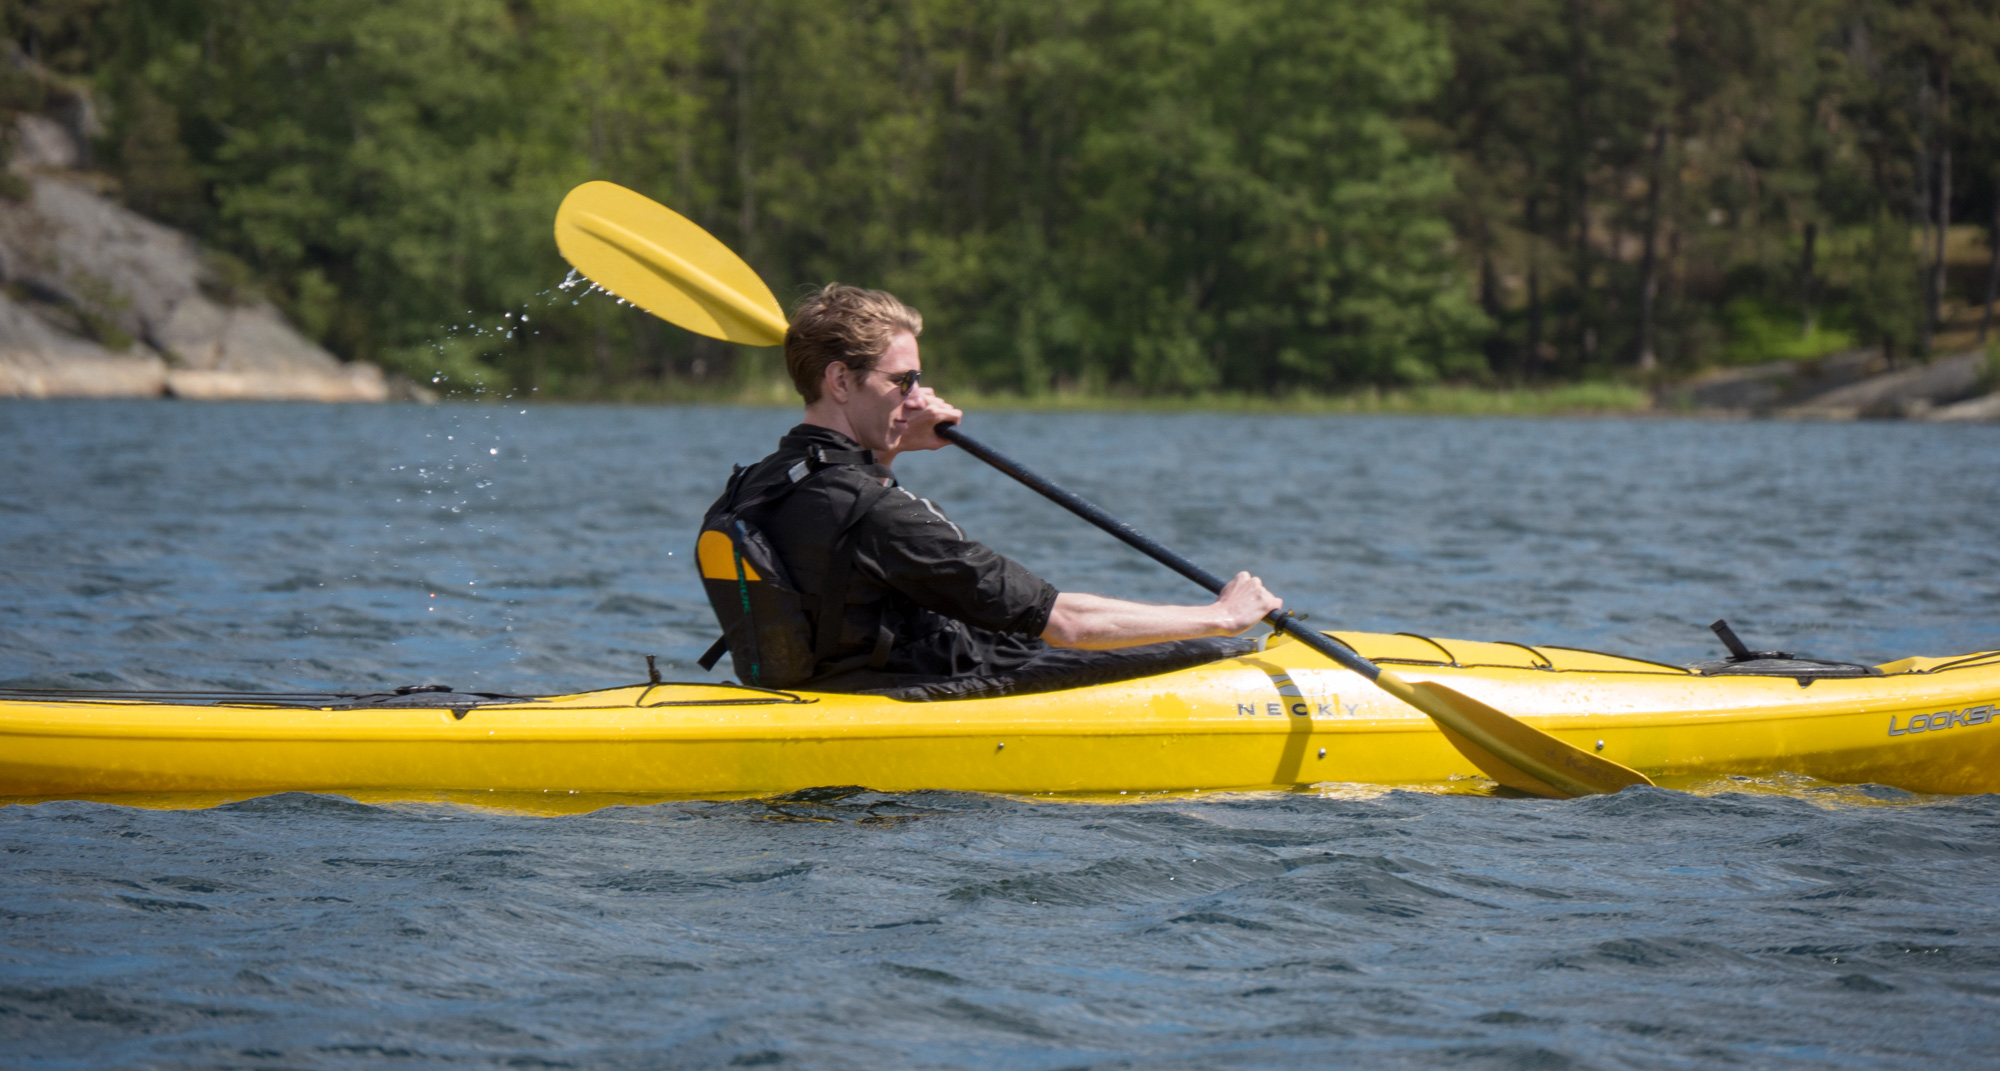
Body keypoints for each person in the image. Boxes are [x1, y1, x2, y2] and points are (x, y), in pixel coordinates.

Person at [700, 283, 1281, 697]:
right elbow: (1066, 623)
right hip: (924, 685)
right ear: (839, 380)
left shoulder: (758, 483)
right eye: (903, 380)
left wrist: (894, 442)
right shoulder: (879, 513)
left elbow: (839, 539)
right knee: (1207, 652)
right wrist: (1221, 618)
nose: (919, 396)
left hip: (834, 683)